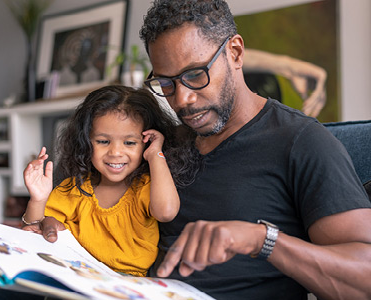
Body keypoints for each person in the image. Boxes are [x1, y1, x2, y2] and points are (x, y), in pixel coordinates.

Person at [136, 0, 371, 299]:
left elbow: (365, 282)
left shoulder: (301, 141)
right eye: (167, 83)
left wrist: (263, 241)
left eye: (195, 75)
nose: (182, 99)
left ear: (235, 52)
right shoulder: (164, 143)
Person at [21, 85, 187, 277]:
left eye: (130, 143)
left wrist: (156, 154)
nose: (115, 152)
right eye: (103, 141)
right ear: (85, 141)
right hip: (76, 274)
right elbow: (34, 229)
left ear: (146, 143)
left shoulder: (145, 187)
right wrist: (38, 199)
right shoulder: (75, 189)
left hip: (127, 283)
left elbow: (166, 212)